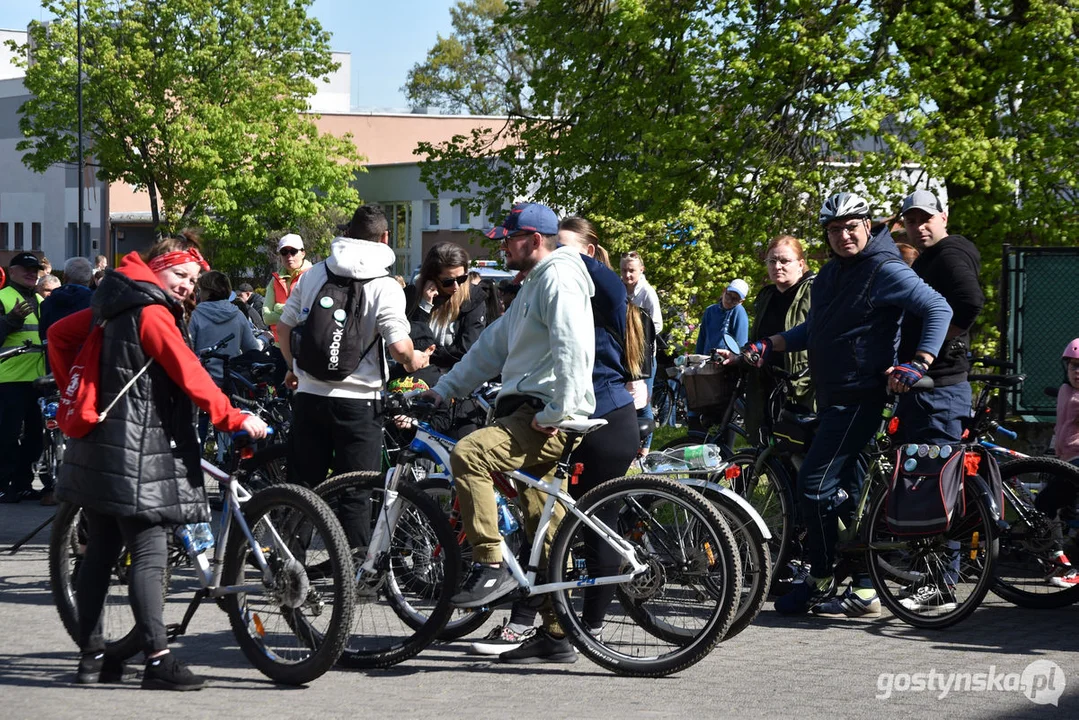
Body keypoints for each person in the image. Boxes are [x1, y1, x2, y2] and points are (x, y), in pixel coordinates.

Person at [49, 234, 267, 690]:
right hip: (140, 446)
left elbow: (59, 335)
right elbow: (189, 372)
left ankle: (93, 660)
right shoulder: (151, 311)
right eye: (180, 276)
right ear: (157, 268)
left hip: (98, 441)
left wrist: (81, 384)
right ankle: (158, 661)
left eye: (193, 280)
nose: (188, 286)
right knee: (149, 553)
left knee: (101, 552)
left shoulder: (113, 300)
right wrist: (232, 416)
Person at [744, 191, 952, 617]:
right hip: (832, 394)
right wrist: (771, 343)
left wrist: (918, 362)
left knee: (813, 485)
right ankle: (861, 581)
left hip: (860, 396)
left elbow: (938, 307)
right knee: (850, 492)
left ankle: (820, 576)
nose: (843, 235)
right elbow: (816, 329)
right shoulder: (833, 273)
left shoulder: (883, 267)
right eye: (834, 229)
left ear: (867, 225)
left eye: (851, 226)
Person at [421, 202, 596, 662]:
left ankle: (490, 562)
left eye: (510, 239)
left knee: (471, 453)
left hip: (542, 416)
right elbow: (490, 346)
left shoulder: (558, 277)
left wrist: (561, 408)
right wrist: (445, 390)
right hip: (533, 412)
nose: (503, 246)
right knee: (544, 524)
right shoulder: (534, 285)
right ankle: (559, 633)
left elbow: (572, 344)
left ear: (535, 240)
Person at [277, 205, 431, 498]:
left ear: (347, 233)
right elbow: (399, 348)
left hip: (310, 396)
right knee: (356, 495)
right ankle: (352, 546)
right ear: (384, 237)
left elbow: (283, 329)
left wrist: (292, 367)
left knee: (302, 493)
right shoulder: (385, 285)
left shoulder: (314, 274)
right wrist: (415, 361)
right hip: (360, 403)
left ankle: (291, 543)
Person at [895, 189, 984, 447]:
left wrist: (930, 345)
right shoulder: (933, 256)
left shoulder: (948, 254)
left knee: (936, 477)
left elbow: (971, 301)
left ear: (943, 218)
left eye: (927, 219)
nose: (919, 227)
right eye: (912, 222)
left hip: (938, 387)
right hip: (927, 384)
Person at [743, 236, 815, 441]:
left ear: (801, 263)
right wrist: (740, 355)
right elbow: (757, 338)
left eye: (785, 261)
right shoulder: (767, 296)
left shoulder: (814, 291)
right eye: (772, 261)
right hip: (766, 386)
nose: (777, 266)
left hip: (803, 389)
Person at [0, 252, 48, 504]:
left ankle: (22, 484)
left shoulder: (41, 300)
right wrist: (11, 320)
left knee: (35, 438)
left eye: (36, 269)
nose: (32, 273)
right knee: (6, 436)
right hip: (9, 378)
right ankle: (2, 485)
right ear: (11, 271)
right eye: (26, 268)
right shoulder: (2, 298)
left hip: (38, 380)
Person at [403, 243, 488, 382]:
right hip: (414, 382)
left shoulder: (473, 298)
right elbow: (409, 343)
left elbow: (467, 351)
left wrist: (428, 354)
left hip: (458, 381)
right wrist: (424, 307)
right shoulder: (412, 296)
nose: (456, 286)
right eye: (448, 281)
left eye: (461, 279)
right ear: (432, 278)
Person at [1038, 339, 1079, 587]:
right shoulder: (1065, 391)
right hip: (1064, 460)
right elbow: (1060, 424)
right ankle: (1058, 559)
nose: (1077, 371)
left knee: (1046, 502)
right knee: (1048, 507)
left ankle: (1069, 566)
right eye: (1074, 366)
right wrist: (1052, 453)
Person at [620, 250, 662, 452]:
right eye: (624, 270)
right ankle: (631, 443)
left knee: (644, 401)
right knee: (628, 399)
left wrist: (639, 338)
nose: (627, 275)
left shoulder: (647, 292)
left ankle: (645, 448)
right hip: (625, 354)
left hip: (643, 356)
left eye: (631, 271)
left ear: (641, 270)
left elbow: (657, 324)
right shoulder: (620, 289)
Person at [189, 271, 259, 387]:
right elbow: (252, 348)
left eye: (201, 290)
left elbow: (186, 351)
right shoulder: (238, 315)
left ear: (208, 291)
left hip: (203, 383)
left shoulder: (194, 316)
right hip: (233, 382)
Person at [263, 233, 312, 342]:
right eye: (284, 252)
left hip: (305, 345)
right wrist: (294, 314)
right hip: (278, 344)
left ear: (303, 253)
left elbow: (310, 315)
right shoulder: (274, 280)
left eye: (293, 251)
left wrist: (277, 308)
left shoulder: (313, 276)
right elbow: (266, 318)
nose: (289, 256)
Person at [40, 257, 94, 342]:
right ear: (91, 280)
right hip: (86, 353)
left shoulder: (47, 303)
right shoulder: (97, 304)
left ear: (64, 277)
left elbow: (43, 336)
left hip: (55, 352)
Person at [696, 279, 750, 353]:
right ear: (724, 291)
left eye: (735, 299)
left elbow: (741, 346)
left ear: (741, 302)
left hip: (726, 362)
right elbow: (701, 341)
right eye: (728, 295)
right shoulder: (710, 310)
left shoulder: (739, 311)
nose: (729, 301)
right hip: (706, 360)